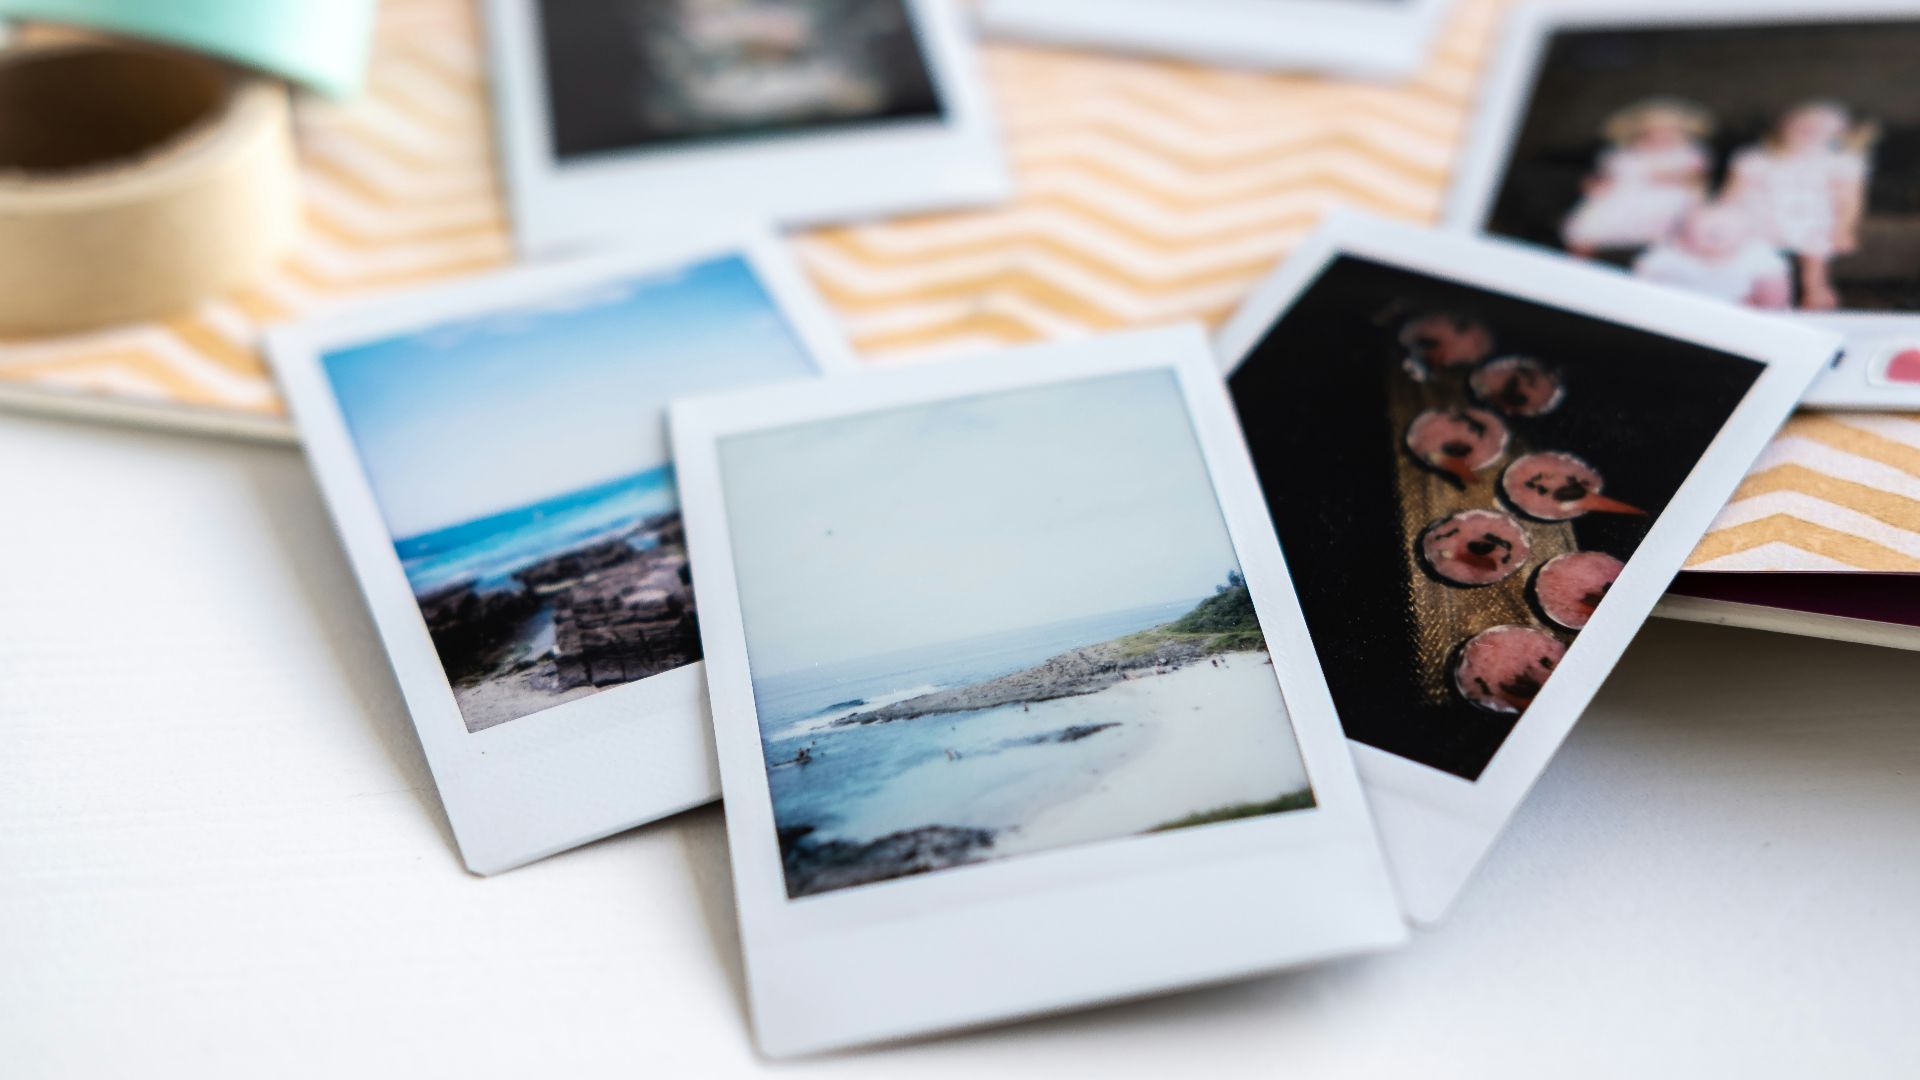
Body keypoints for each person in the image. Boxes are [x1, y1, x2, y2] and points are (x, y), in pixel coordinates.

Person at [1724, 100, 1875, 310]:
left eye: (1819, 128)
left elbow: (1849, 201)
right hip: (1762, 217)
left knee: (1815, 256)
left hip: (1811, 217)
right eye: (1801, 125)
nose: (1809, 130)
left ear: (1840, 134)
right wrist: (1724, 221)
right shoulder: (1756, 159)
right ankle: (1759, 296)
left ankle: (1816, 294)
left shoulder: (1841, 163)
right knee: (1752, 256)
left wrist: (1844, 229)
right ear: (1782, 128)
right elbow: (1733, 194)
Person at [1562, 98, 1714, 258]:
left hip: (1666, 199)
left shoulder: (1687, 155)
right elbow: (1613, 175)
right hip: (1624, 196)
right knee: (1590, 221)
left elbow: (1696, 179)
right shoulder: (1629, 154)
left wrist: (1671, 175)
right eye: (1654, 132)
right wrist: (1599, 184)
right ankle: (1578, 257)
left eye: (1669, 132)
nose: (1661, 137)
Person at [1633, 202, 1793, 309]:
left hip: (1742, 319)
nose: (1716, 233)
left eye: (1724, 228)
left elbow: (1775, 303)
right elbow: (1643, 285)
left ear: (1746, 235)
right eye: (1706, 230)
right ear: (1683, 239)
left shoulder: (1757, 258)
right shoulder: (1670, 257)